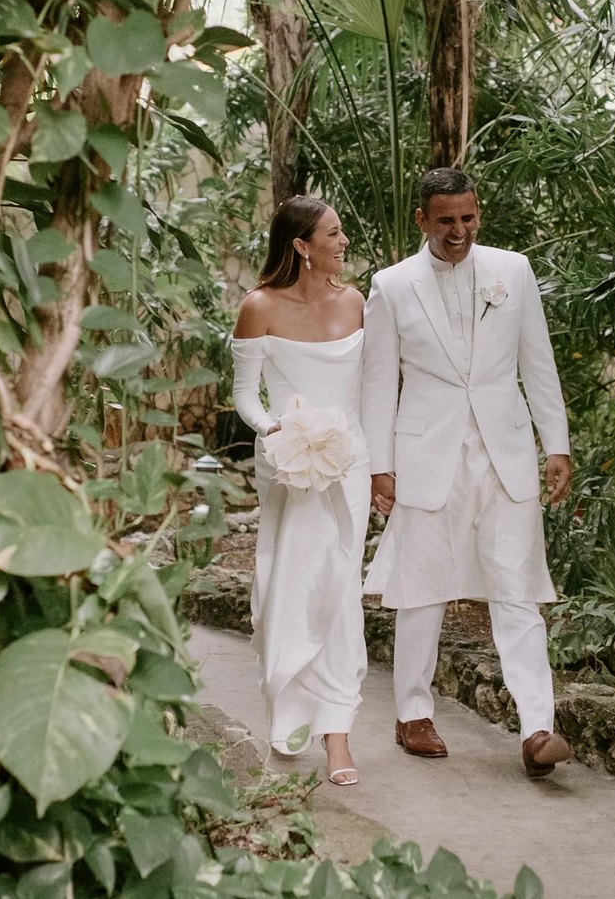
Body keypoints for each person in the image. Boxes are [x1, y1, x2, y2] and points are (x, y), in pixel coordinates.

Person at [359, 167, 575, 779]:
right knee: (422, 587)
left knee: (518, 587)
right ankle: (413, 714)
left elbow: (539, 362)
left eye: (469, 218)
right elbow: (378, 383)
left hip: (504, 452)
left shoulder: (514, 271)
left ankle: (538, 727)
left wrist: (554, 443)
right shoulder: (391, 285)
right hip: (426, 453)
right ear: (422, 220)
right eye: (446, 220)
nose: (460, 231)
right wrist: (380, 466)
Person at [230, 196, 370, 786]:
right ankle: (288, 709)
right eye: (333, 234)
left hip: (350, 464)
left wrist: (379, 463)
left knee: (340, 590)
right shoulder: (258, 307)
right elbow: (245, 396)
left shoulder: (357, 303)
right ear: (300, 246)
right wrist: (276, 429)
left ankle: (337, 734)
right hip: (289, 465)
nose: (343, 243)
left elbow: (368, 391)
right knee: (287, 584)